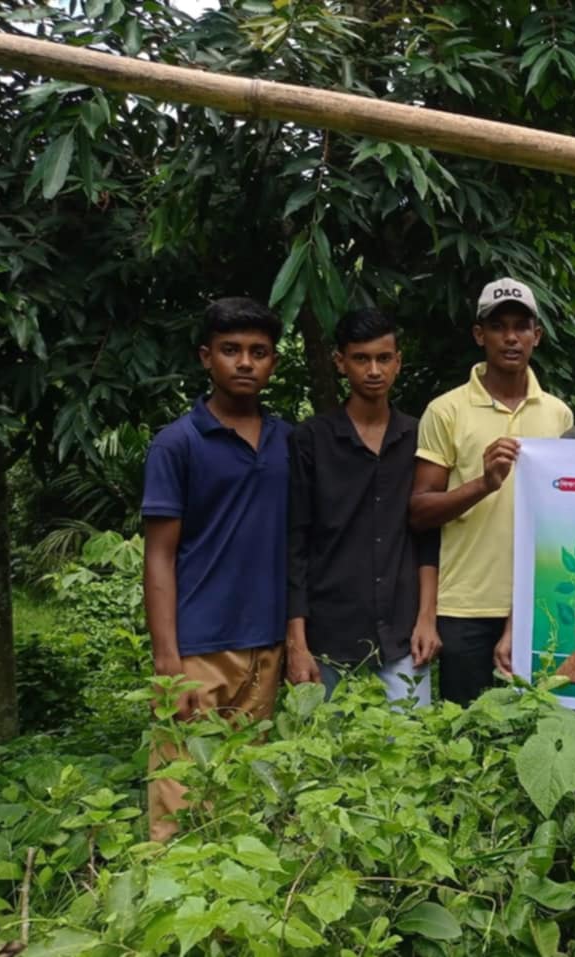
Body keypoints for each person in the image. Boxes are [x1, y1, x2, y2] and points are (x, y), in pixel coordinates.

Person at [141, 297, 290, 841]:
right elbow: (158, 554)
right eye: (231, 351)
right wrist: (167, 661)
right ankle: (168, 910)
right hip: (198, 647)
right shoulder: (176, 444)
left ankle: (231, 922)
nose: (245, 362)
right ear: (207, 358)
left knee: (243, 795)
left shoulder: (286, 442)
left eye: (258, 352)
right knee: (180, 794)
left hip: (266, 645)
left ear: (273, 362)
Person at [411, 278, 573, 705]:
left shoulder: (559, 414)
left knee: (532, 735)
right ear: (479, 335)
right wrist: (483, 484)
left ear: (536, 336)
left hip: (537, 603)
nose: (511, 337)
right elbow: (419, 511)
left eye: (522, 326)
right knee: (466, 734)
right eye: (498, 326)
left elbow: (566, 516)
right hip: (465, 604)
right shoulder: (445, 410)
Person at [286, 308, 442, 706]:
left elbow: (428, 536)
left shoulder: (418, 436)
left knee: (410, 751)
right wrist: (297, 643)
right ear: (341, 362)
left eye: (384, 358)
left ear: (398, 362)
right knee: (322, 756)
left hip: (402, 629)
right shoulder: (311, 440)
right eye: (361, 358)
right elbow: (295, 542)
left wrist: (427, 618)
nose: (374, 370)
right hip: (327, 630)